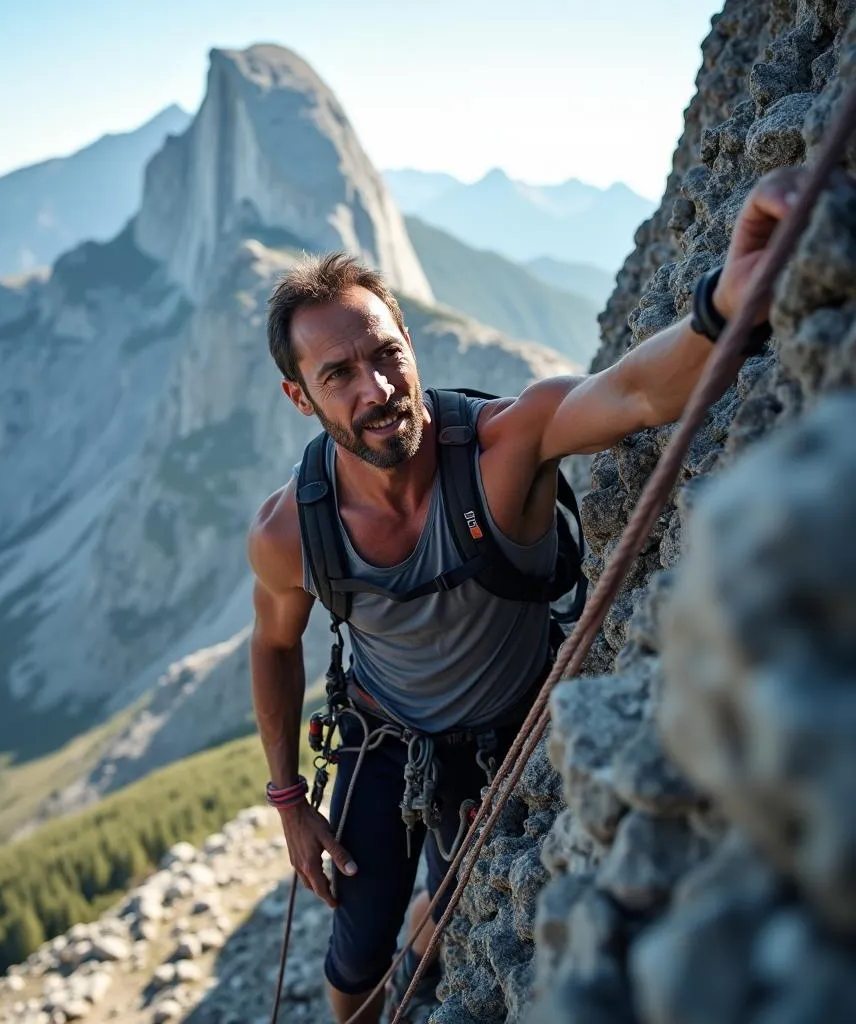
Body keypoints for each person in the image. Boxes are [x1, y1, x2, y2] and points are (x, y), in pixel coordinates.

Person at [247, 167, 804, 1023]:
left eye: (386, 354)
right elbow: (274, 645)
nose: (377, 390)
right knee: (355, 950)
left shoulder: (504, 445)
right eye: (338, 375)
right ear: (300, 396)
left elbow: (635, 391)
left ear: (412, 343)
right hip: (378, 741)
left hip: (502, 739)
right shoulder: (291, 531)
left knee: (448, 915)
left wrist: (725, 304)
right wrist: (289, 801)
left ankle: (423, 953)